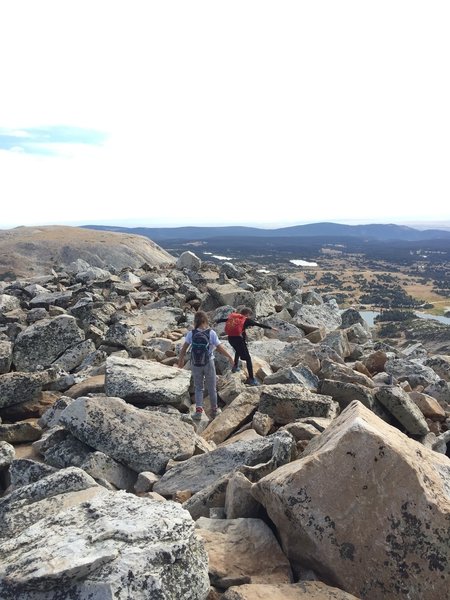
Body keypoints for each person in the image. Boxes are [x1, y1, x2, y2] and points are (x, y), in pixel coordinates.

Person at [178, 310, 234, 420]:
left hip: (195, 363)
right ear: (205, 320)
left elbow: (184, 349)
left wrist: (181, 361)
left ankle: (198, 412)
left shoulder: (191, 334)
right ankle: (214, 411)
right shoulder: (211, 333)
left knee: (198, 387)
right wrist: (230, 357)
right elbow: (219, 348)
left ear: (196, 321)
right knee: (212, 388)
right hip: (209, 362)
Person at [216, 307, 277, 385]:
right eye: (249, 315)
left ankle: (235, 367)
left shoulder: (234, 317)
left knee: (237, 351)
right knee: (248, 359)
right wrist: (271, 328)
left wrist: (217, 321)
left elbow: (224, 320)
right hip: (239, 340)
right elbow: (258, 324)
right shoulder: (246, 320)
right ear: (247, 314)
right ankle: (252, 379)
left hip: (230, 338)